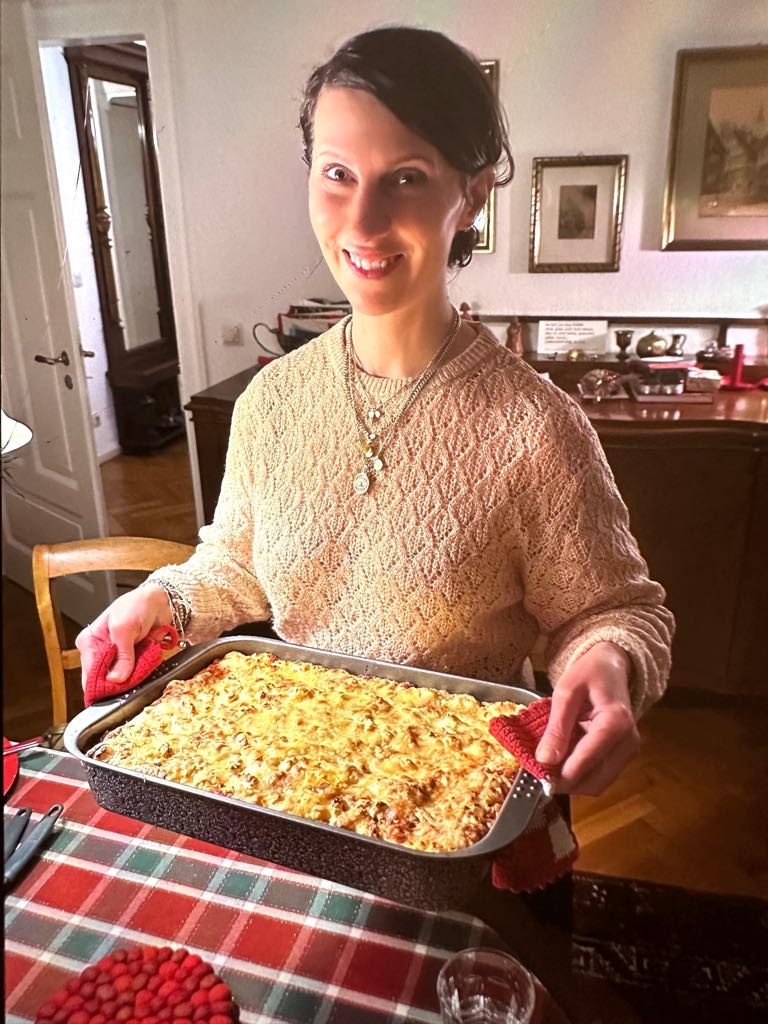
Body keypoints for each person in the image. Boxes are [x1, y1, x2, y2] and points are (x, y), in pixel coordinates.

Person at [76, 26, 674, 798]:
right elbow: (237, 563)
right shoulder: (272, 402)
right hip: (293, 778)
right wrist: (164, 598)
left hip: (457, 796)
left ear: (473, 194)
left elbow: (614, 611)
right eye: (337, 174)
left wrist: (607, 659)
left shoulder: (536, 429)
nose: (361, 222)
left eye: (406, 178)